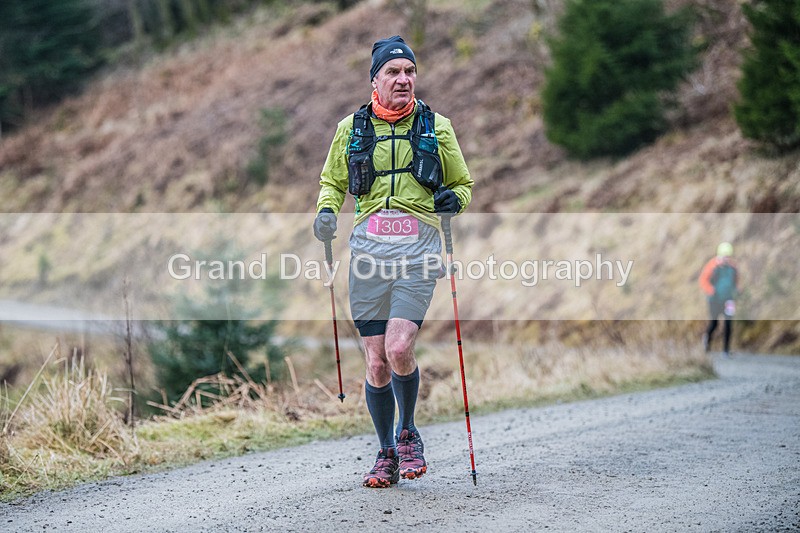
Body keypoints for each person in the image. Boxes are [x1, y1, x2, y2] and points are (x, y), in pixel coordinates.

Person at [313, 36, 473, 488]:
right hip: (367, 254)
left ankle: (408, 433)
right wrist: (326, 212)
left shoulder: (437, 127)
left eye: (409, 72)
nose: (404, 80)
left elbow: (463, 185)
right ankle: (385, 451)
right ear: (375, 80)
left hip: (418, 252)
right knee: (376, 362)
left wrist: (452, 199)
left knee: (399, 348)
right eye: (393, 73)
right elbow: (332, 182)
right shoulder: (351, 128)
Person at [698, 242, 739, 357]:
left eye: (728, 256)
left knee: (728, 323)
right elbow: (703, 280)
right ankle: (707, 342)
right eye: (725, 256)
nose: (727, 259)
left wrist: (737, 290)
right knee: (714, 323)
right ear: (719, 255)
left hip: (729, 300)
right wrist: (711, 291)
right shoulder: (712, 266)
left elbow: (735, 281)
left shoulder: (733, 267)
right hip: (714, 300)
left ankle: (726, 350)